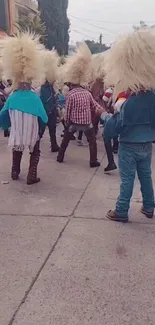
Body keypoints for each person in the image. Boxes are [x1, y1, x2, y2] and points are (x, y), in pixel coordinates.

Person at [103, 29, 155, 222]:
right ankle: (149, 207)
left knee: (127, 179)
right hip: (146, 144)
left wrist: (104, 118)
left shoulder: (128, 100)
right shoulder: (153, 97)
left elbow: (115, 126)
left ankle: (121, 211)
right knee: (146, 176)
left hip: (129, 145)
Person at [0, 32, 48, 185]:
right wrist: (40, 130)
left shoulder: (12, 97)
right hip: (32, 132)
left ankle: (15, 171)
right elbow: (43, 117)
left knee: (17, 147)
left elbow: (3, 114)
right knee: (35, 149)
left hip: (17, 133)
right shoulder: (34, 97)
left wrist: (7, 127)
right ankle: (31, 175)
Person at [57, 43, 106, 167]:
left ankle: (60, 156)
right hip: (86, 123)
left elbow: (68, 111)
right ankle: (93, 161)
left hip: (73, 123)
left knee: (65, 141)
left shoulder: (70, 94)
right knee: (92, 142)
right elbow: (95, 105)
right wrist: (103, 112)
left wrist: (67, 122)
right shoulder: (87, 93)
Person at [40, 50, 60, 152]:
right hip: (46, 110)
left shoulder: (50, 85)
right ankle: (36, 145)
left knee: (52, 128)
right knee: (41, 130)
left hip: (50, 109)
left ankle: (54, 145)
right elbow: (45, 99)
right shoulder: (44, 86)